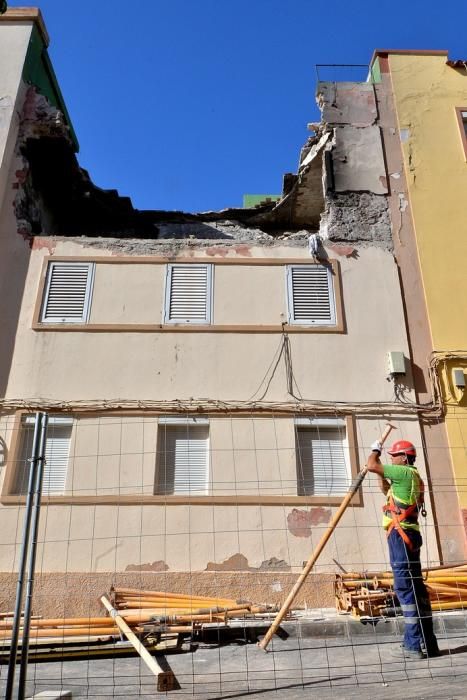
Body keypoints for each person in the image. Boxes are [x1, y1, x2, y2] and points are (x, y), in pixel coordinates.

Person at [367, 439, 440, 659]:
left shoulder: (404, 473)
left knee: (405, 589)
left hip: (399, 536)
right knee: (417, 588)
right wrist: (381, 471)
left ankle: (412, 645)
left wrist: (375, 450)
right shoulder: (411, 477)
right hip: (410, 535)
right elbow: (385, 488)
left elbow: (371, 464)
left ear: (405, 457)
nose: (391, 459)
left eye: (394, 456)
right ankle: (429, 643)